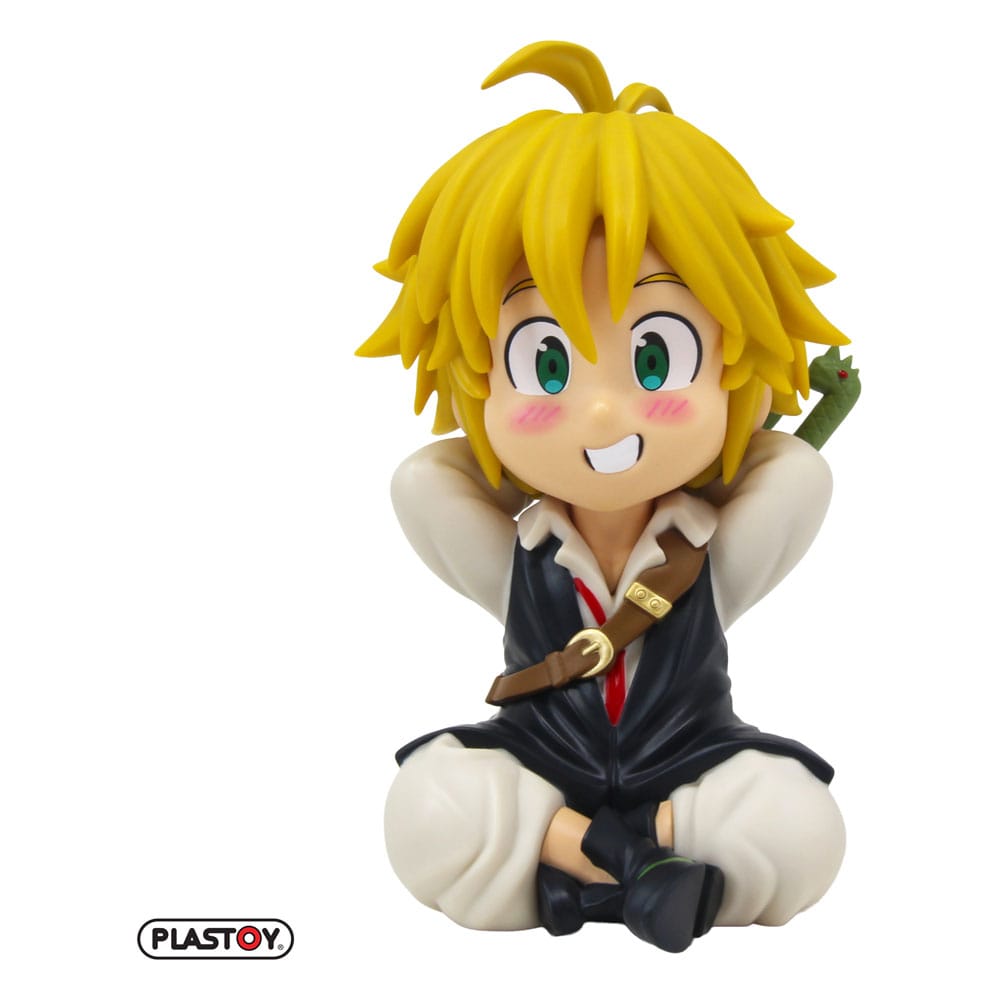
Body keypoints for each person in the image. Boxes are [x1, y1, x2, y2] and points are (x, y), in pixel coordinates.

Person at [358, 40, 848, 952]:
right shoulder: (519, 557)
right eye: (544, 363)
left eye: (655, 356)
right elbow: (424, 479)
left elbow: (796, 471)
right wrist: (512, 443)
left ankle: (577, 872)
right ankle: (639, 869)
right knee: (425, 804)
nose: (598, 409)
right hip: (541, 766)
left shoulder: (712, 554)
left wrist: (726, 434)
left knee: (802, 827)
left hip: (686, 765)